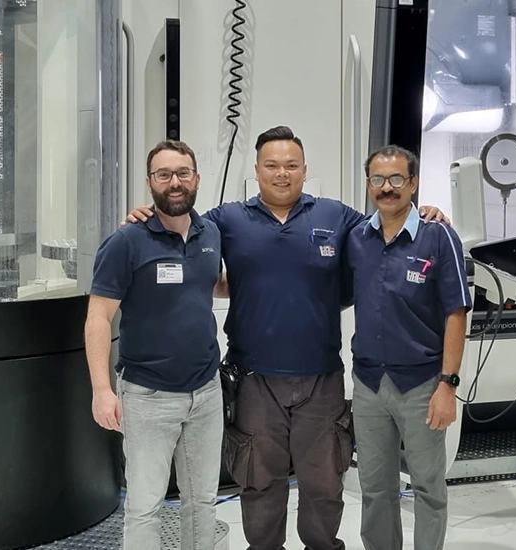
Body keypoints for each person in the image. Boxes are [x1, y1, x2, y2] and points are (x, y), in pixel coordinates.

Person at [123, 126, 447, 550]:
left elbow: (386, 221)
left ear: (304, 170)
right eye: (272, 166)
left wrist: (426, 214)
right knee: (259, 483)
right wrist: (142, 217)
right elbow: (178, 221)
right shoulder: (227, 220)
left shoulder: (336, 216)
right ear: (256, 170)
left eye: (291, 165)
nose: (282, 174)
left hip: (321, 380)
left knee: (324, 483)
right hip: (254, 380)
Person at [85, 139, 225, 550]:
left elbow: (208, 284)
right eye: (164, 175)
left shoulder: (210, 232)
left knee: (202, 501)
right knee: (145, 505)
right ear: (150, 183)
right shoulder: (126, 242)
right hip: (148, 395)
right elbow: (98, 317)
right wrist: (101, 390)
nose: (175, 182)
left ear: (197, 178)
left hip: (206, 392)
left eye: (182, 173)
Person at [343, 145, 469, 550]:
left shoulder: (438, 236)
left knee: (428, 486)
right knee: (375, 489)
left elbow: (456, 313)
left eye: (397, 179)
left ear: (413, 183)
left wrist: (447, 386)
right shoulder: (357, 238)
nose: (387, 188)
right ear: (368, 185)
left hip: (422, 386)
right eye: (378, 180)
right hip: (368, 384)